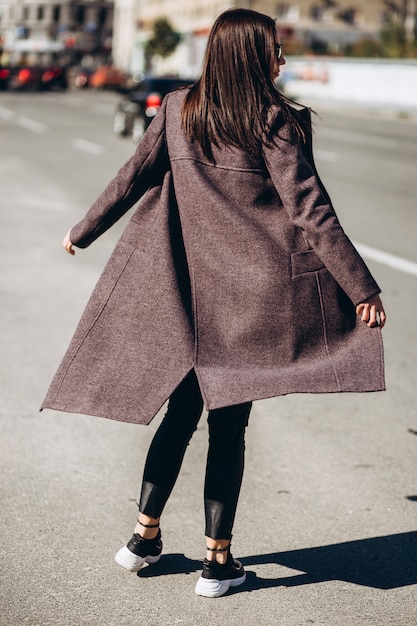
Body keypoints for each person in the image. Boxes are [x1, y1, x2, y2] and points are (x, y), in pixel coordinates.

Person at [41, 8, 386, 598]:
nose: (282, 57)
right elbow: (310, 211)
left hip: (188, 294)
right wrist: (361, 288)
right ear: (252, 54)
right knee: (228, 426)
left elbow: (132, 176)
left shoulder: (179, 109)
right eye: (274, 48)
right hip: (251, 302)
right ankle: (216, 563)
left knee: (180, 413)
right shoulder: (275, 121)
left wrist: (83, 229)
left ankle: (144, 539)